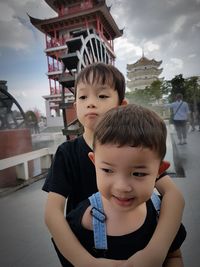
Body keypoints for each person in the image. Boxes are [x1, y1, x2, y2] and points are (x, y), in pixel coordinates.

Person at [44, 63, 185, 267]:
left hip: (137, 233)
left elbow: (174, 197)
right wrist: (86, 262)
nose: (91, 103)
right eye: (83, 97)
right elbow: (52, 213)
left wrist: (156, 250)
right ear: (75, 106)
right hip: (89, 242)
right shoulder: (67, 153)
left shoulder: (136, 147)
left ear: (121, 104)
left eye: (102, 96)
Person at [66, 104, 186, 266]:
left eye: (138, 174)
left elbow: (173, 257)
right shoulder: (83, 220)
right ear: (94, 163)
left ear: (159, 171)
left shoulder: (161, 215)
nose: (122, 187)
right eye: (108, 170)